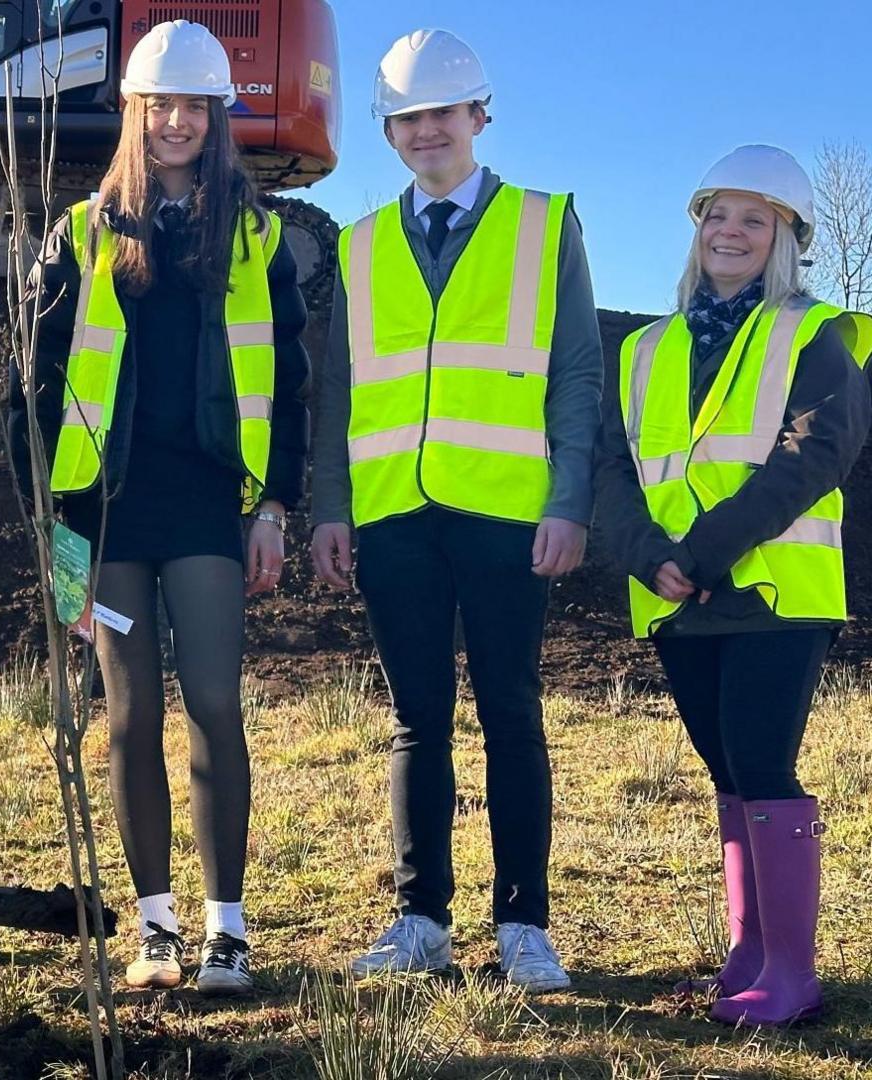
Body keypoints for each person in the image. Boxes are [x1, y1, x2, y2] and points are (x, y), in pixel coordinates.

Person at [14, 19, 309, 995]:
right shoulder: (84, 232)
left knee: (215, 704)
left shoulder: (260, 235)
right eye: (160, 107)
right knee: (132, 715)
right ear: (134, 115)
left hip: (209, 510)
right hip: (106, 519)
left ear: (217, 118)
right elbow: (41, 393)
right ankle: (156, 929)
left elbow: (292, 386)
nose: (177, 122)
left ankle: (228, 927)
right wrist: (59, 545)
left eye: (195, 107)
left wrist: (274, 509)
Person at [307, 29, 602, 991]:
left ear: (479, 117)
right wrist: (331, 508)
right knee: (414, 719)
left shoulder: (545, 223)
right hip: (394, 514)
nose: (427, 131)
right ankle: (421, 919)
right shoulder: (358, 247)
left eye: (443, 113)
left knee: (512, 713)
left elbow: (577, 374)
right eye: (408, 118)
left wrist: (568, 500)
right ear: (390, 133)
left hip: (509, 513)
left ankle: (524, 925)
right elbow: (336, 393)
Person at [594, 145, 871, 1026]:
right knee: (726, 772)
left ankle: (791, 973)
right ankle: (749, 955)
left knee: (762, 763)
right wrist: (649, 553)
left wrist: (704, 553)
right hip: (676, 596)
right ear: (697, 228)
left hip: (773, 595)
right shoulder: (644, 348)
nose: (731, 232)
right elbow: (613, 467)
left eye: (756, 220)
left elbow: (815, 455)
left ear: (787, 240)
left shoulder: (814, 332)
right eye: (719, 215)